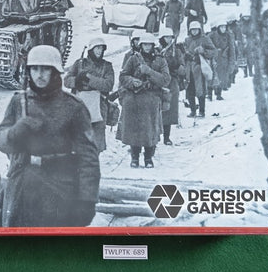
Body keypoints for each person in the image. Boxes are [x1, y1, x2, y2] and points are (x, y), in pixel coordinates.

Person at [0, 45, 100, 227]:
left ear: (55, 72)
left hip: (59, 188)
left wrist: (87, 200)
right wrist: (14, 133)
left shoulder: (73, 107)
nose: (39, 75)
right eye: (35, 69)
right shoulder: (19, 102)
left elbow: (88, 157)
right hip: (21, 187)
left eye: (45, 69)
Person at [118, 33, 170, 168]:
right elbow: (123, 76)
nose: (147, 47)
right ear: (141, 45)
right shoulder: (133, 58)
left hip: (152, 95)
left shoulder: (160, 60)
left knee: (150, 129)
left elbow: (165, 80)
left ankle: (148, 157)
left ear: (153, 45)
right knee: (133, 127)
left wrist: (149, 72)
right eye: (145, 44)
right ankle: (134, 157)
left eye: (149, 45)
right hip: (135, 96)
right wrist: (132, 81)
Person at [64, 37, 114, 152]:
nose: (99, 51)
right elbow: (66, 81)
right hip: (80, 105)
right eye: (97, 48)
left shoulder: (107, 66)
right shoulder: (79, 63)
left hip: (99, 107)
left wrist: (89, 78)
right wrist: (77, 81)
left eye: (101, 48)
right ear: (91, 49)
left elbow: (108, 85)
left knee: (96, 143)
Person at [158, 27, 186, 145]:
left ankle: (166, 137)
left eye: (170, 37)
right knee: (156, 109)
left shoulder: (177, 51)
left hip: (172, 82)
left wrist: (178, 67)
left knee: (169, 109)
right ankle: (155, 137)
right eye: (166, 37)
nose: (168, 39)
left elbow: (182, 67)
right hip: (158, 82)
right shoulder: (157, 50)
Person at [184, 21, 216, 118]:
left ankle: (202, 111)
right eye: (192, 30)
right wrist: (185, 55)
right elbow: (184, 51)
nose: (194, 31)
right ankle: (193, 111)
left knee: (200, 90)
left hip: (200, 67)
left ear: (199, 30)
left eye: (196, 29)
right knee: (189, 90)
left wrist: (204, 52)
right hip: (189, 68)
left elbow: (213, 51)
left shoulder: (205, 39)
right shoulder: (187, 40)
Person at [210, 21, 235, 99]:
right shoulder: (212, 35)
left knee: (222, 76)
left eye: (224, 27)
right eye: (221, 27)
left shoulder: (228, 36)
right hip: (214, 58)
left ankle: (218, 93)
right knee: (212, 75)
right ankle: (209, 93)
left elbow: (231, 49)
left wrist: (231, 61)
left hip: (224, 59)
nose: (223, 29)